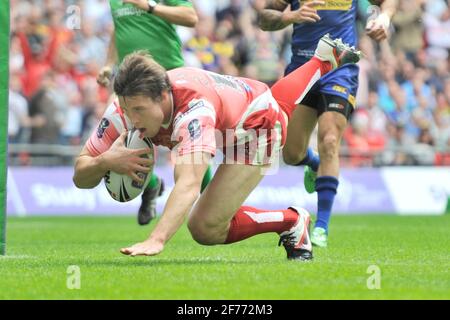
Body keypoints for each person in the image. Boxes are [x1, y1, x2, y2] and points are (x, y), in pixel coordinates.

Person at [73, 34, 361, 260]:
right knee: (278, 101)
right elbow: (80, 172)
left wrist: (156, 239)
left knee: (204, 227)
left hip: (256, 127)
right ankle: (321, 61)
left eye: (138, 110)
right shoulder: (123, 109)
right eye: (126, 110)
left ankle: (292, 221)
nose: (132, 121)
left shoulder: (194, 111)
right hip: (243, 98)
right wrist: (105, 162)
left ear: (162, 97)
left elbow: (188, 185)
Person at [258, 0, 397, 247]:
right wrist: (291, 17)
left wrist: (383, 17)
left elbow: (386, 2)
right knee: (291, 154)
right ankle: (314, 163)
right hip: (303, 69)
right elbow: (265, 18)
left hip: (340, 70)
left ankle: (321, 226)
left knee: (330, 140)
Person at [95, 0, 212, 226]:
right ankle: (151, 185)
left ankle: (212, 202)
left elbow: (190, 17)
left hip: (169, 77)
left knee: (188, 143)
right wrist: (109, 65)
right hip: (132, 84)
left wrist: (149, 6)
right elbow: (119, 30)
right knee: (113, 137)